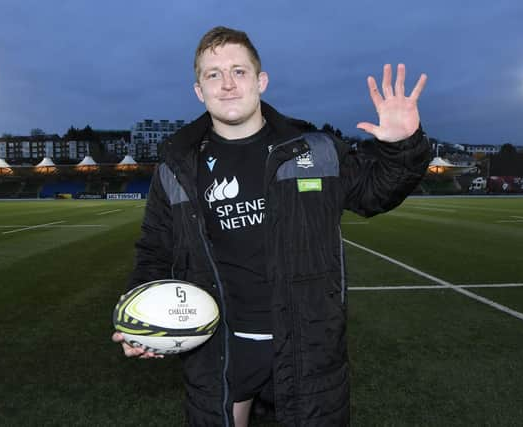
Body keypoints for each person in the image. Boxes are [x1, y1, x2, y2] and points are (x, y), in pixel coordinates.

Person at [112, 26, 431, 426]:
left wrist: (403, 145)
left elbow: (375, 193)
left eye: (238, 71)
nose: (227, 84)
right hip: (220, 347)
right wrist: (140, 315)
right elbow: (155, 250)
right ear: (199, 90)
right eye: (213, 74)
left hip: (306, 345)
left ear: (261, 81)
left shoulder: (314, 150)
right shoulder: (176, 168)